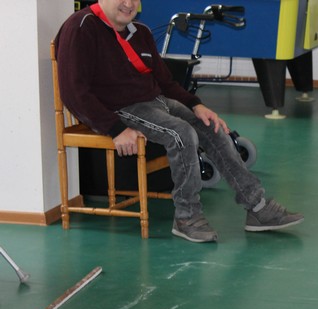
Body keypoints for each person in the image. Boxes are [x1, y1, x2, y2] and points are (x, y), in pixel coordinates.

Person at [54, 0, 303, 243]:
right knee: (181, 133)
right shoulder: (81, 27)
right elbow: (73, 92)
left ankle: (257, 207)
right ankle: (186, 217)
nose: (129, 4)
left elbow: (165, 82)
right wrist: (115, 129)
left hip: (156, 102)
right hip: (120, 109)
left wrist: (196, 105)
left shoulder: (140, 31)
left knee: (211, 126)